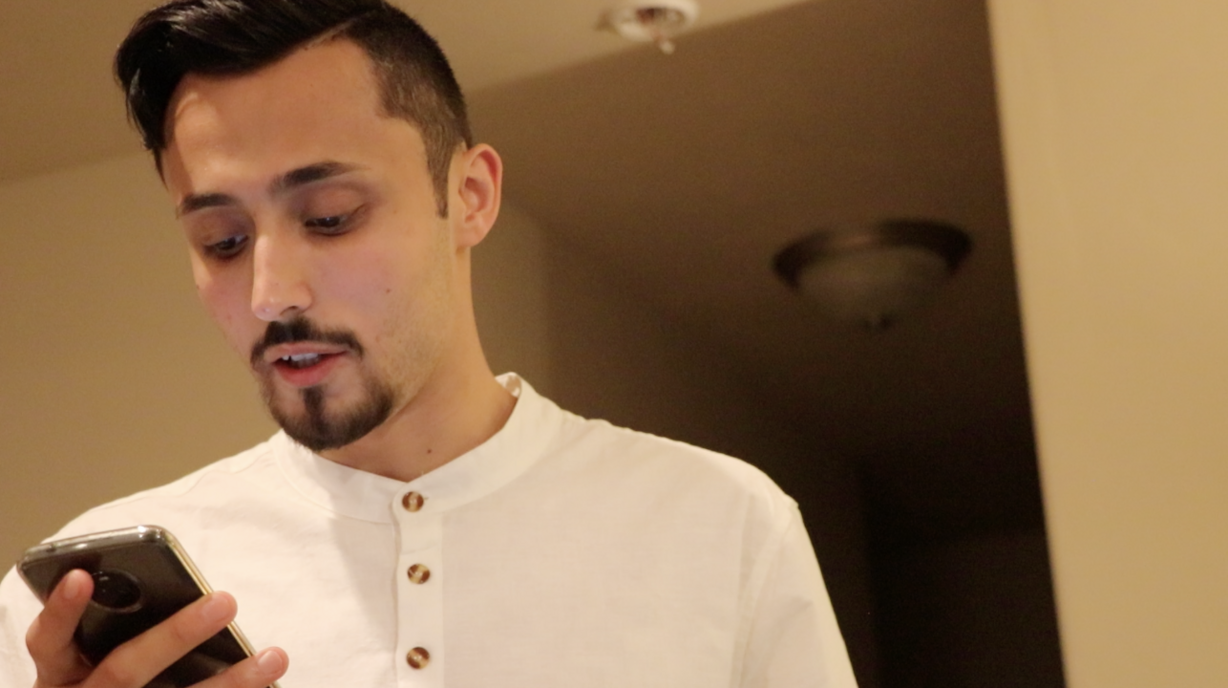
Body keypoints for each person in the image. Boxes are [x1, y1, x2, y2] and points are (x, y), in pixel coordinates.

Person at [0, 1, 858, 686]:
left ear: (471, 196)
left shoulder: (723, 524)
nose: (271, 293)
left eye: (330, 218)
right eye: (222, 241)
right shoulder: (64, 624)